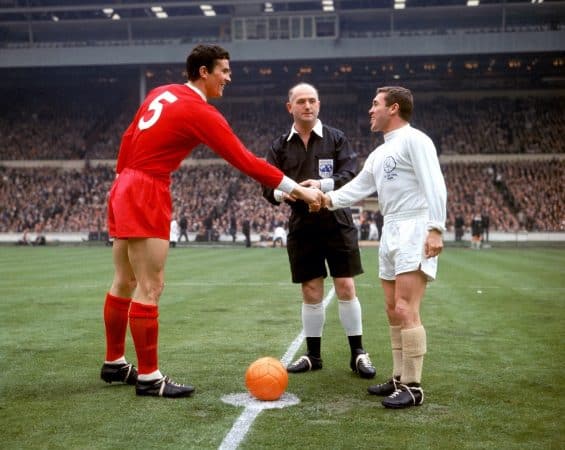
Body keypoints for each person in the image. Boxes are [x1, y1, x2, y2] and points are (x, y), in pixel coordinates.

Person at [100, 44, 322, 399]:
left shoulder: (162, 91)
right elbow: (245, 160)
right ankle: (149, 377)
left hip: (124, 181)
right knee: (150, 286)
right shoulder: (199, 111)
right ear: (203, 72)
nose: (228, 78)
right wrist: (299, 190)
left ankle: (114, 362)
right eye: (224, 71)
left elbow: (128, 137)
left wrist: (123, 181)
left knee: (123, 280)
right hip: (147, 187)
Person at [318, 86, 447, 408]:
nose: (370, 110)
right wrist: (324, 199)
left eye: (375, 105)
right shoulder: (379, 153)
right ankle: (399, 377)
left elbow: (435, 183)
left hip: (414, 225)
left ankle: (413, 387)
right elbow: (357, 189)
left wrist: (435, 228)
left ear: (395, 108)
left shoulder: (416, 140)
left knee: (406, 308)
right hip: (391, 227)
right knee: (392, 309)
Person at [262, 83, 376, 379]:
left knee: (346, 287)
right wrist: (284, 194)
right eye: (301, 101)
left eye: (312, 101)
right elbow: (267, 184)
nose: (307, 106)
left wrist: (320, 185)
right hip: (302, 226)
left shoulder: (336, 138)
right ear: (290, 107)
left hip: (337, 221)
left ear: (319, 105)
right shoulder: (279, 146)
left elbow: (350, 174)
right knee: (311, 291)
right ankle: (313, 355)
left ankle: (358, 353)